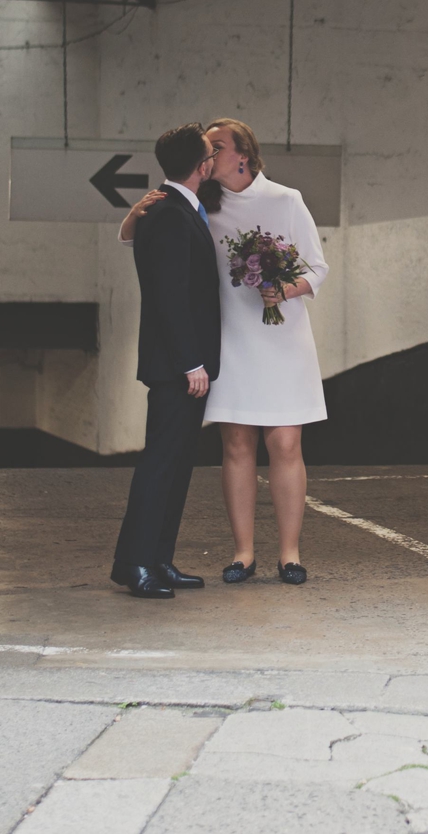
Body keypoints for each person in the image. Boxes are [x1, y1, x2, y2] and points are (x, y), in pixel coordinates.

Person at [120, 119, 329, 586]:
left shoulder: (286, 200)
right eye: (206, 148)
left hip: (282, 340)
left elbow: (318, 268)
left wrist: (285, 290)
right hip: (229, 340)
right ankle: (243, 554)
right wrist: (136, 213)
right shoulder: (199, 208)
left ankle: (290, 555)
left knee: (286, 443)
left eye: (218, 146)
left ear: (244, 155)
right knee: (235, 445)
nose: (210, 155)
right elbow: (144, 241)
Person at [109, 123, 219, 600]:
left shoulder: (170, 208)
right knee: (160, 465)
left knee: (175, 465)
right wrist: (191, 362)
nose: (214, 160)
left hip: (181, 363)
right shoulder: (172, 214)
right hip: (178, 365)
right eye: (212, 153)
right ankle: (134, 564)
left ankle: (158, 559)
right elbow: (170, 297)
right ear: (202, 166)